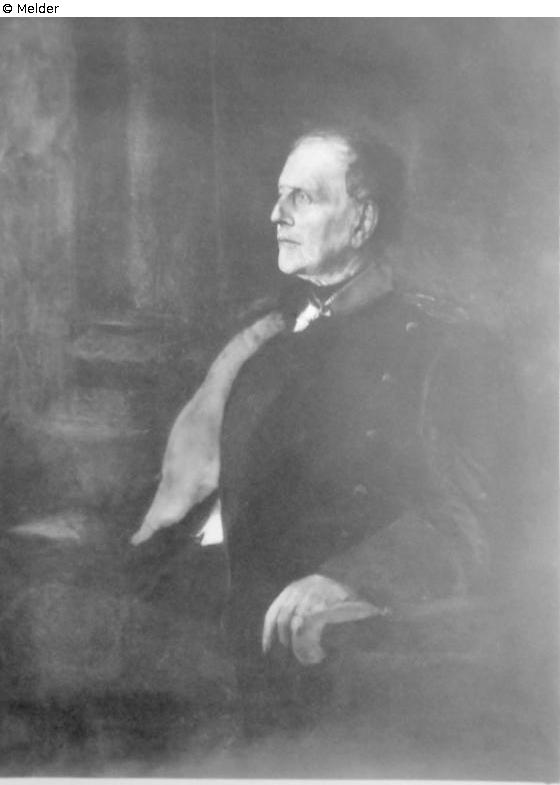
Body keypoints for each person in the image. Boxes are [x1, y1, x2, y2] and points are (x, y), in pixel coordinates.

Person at [217, 126, 523, 741]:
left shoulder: (442, 349)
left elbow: (464, 522)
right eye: (280, 194)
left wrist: (349, 578)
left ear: (362, 221)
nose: (276, 214)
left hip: (334, 667)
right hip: (229, 629)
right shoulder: (266, 338)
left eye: (303, 198)